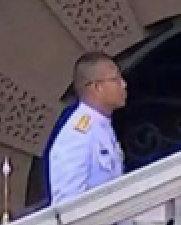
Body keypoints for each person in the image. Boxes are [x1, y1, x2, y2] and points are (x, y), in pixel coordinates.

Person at [47, 52, 127, 205]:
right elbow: (68, 202)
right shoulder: (78, 134)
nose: (124, 85)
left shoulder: (102, 125)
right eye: (115, 79)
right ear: (97, 87)